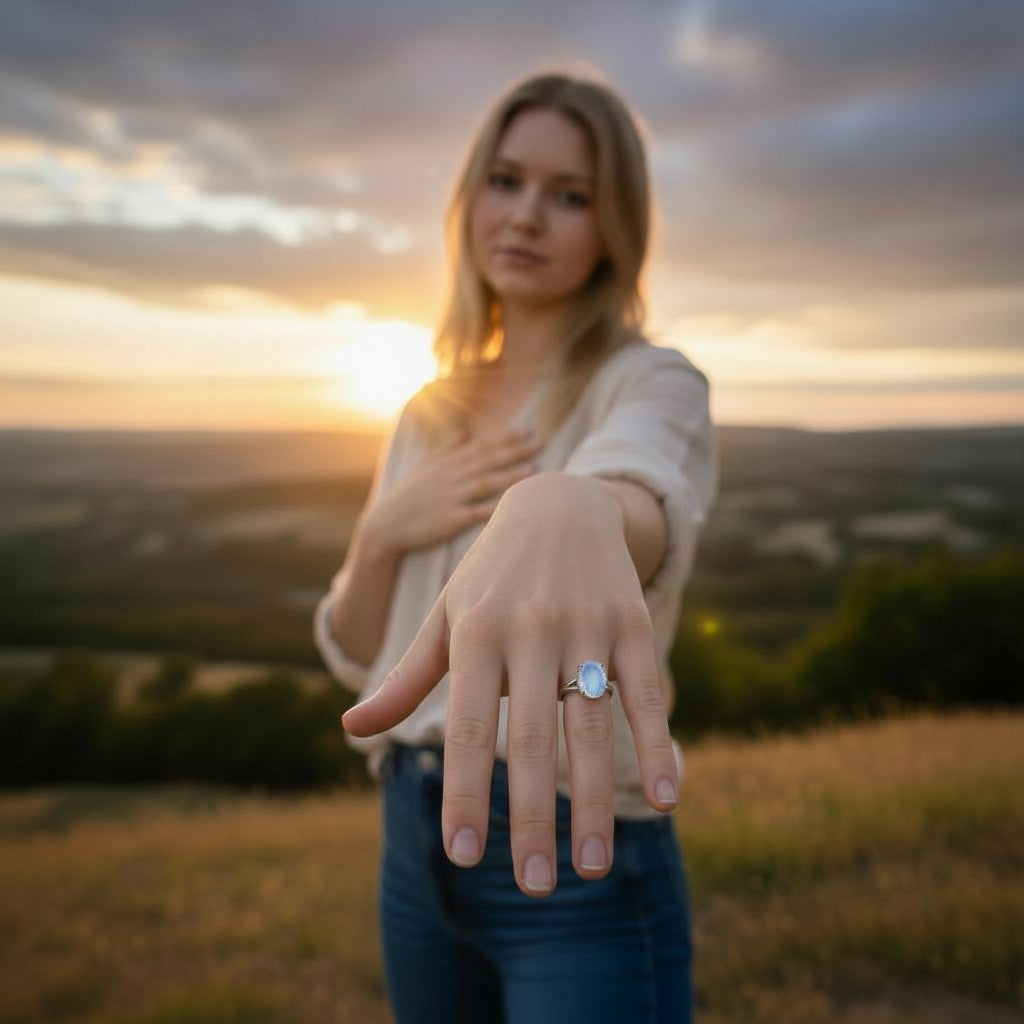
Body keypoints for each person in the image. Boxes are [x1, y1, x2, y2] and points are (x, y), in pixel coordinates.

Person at [314, 70, 716, 1023]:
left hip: (580, 856)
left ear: (614, 226)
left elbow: (639, 492)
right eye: (506, 181)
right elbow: (362, 656)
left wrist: (572, 504)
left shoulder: (650, 382)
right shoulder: (426, 410)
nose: (527, 215)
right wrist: (382, 531)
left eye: (569, 195)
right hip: (411, 834)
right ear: (470, 200)